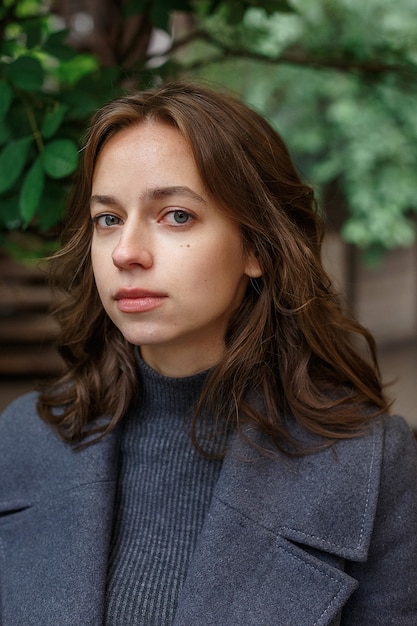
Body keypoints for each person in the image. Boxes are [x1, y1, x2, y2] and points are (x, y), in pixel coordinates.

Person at [0, 80, 416, 626]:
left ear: (256, 247)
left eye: (175, 215)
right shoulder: (23, 439)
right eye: (108, 219)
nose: (126, 252)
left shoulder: (373, 464)